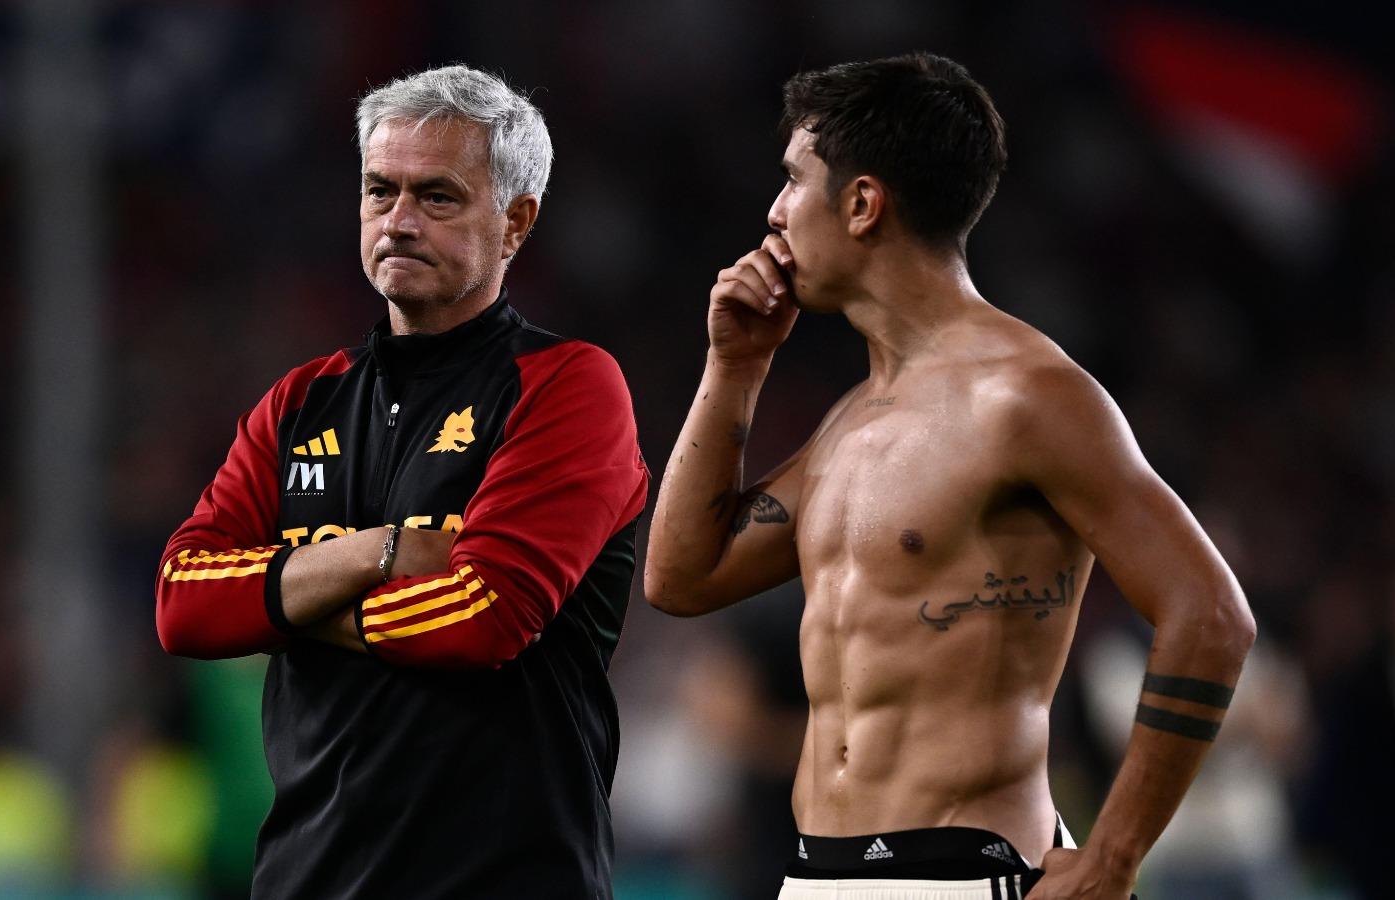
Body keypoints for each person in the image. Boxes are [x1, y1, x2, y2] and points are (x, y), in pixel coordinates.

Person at [644, 53, 1256, 900]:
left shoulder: (1028, 395)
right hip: (813, 874)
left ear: (862, 204)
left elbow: (1212, 613)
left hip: (968, 875)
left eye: (792, 180)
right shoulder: (851, 423)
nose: (775, 212)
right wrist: (737, 366)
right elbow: (680, 577)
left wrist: (1114, 858)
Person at [154, 65, 649, 898]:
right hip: (306, 877)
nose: (399, 221)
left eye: (438, 197)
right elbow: (182, 601)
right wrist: (376, 553)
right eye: (380, 191)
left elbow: (481, 618)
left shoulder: (570, 384)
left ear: (517, 222)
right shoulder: (299, 400)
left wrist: (286, 606)